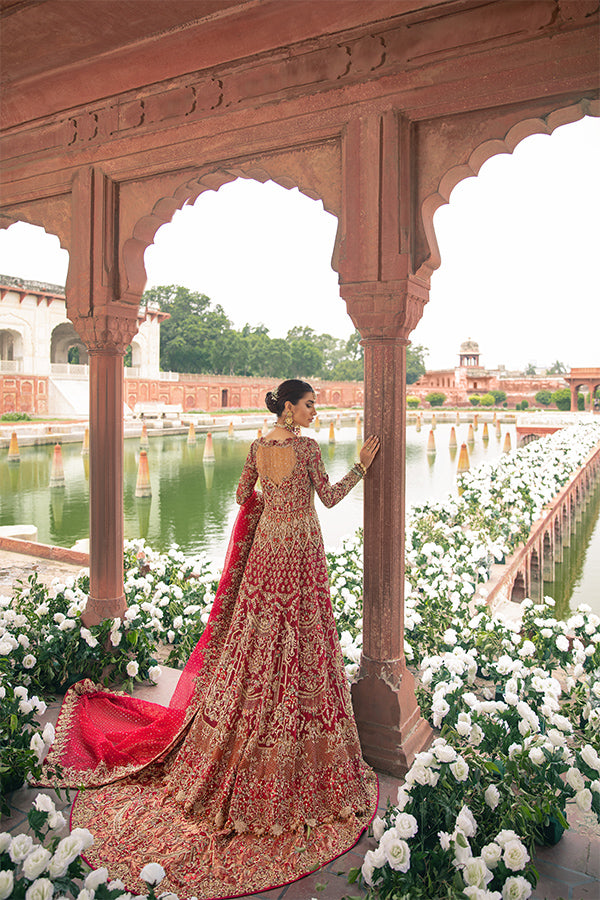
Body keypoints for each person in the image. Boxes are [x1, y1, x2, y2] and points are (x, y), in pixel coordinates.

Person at [40, 380, 380, 899]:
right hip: (300, 552)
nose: (316, 411)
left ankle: (243, 722)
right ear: (290, 408)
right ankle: (289, 732)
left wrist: (269, 504)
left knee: (254, 642)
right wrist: (361, 466)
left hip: (266, 553)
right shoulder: (308, 449)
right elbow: (330, 499)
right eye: (310, 404)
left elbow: (243, 496)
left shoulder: (258, 447)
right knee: (302, 641)